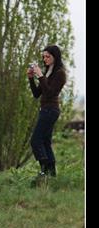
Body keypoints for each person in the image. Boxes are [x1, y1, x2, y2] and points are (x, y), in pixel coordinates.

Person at [27, 45, 67, 182]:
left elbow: (50, 92)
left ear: (55, 56)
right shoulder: (48, 71)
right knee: (45, 142)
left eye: (47, 56)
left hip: (51, 110)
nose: (44, 59)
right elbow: (37, 94)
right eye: (43, 56)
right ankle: (52, 175)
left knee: (35, 140)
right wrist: (31, 78)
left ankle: (44, 170)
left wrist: (40, 76)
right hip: (45, 110)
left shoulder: (60, 73)